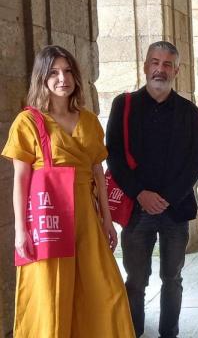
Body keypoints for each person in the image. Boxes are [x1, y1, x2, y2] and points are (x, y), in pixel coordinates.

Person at [2, 45, 135, 336]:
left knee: (106, 291)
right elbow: (21, 181)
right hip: (49, 218)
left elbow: (98, 172)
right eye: (53, 72)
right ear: (42, 78)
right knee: (51, 294)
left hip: (87, 216)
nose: (62, 78)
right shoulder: (27, 122)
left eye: (67, 71)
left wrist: (106, 219)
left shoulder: (88, 120)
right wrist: (21, 231)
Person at [106, 41, 198, 338]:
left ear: (176, 70)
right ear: (145, 65)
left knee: (172, 277)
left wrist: (167, 199)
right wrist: (141, 194)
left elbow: (195, 161)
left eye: (166, 64)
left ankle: (169, 333)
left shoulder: (189, 111)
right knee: (136, 279)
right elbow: (115, 155)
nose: (160, 69)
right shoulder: (123, 105)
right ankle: (134, 332)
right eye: (154, 62)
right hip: (137, 210)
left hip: (175, 210)